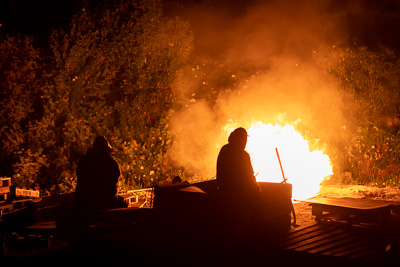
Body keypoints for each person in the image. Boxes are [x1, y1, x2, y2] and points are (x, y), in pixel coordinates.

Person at [216, 127, 261, 239]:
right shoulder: (242, 154)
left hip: (225, 190)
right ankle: (254, 233)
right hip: (238, 193)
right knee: (256, 199)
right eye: (244, 140)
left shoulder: (224, 150)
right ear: (240, 140)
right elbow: (249, 177)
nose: (245, 142)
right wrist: (257, 189)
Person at [73, 136, 127, 210]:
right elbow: (113, 185)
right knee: (124, 203)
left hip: (85, 200)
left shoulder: (84, 160)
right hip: (106, 201)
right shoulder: (111, 163)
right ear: (107, 150)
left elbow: (80, 179)